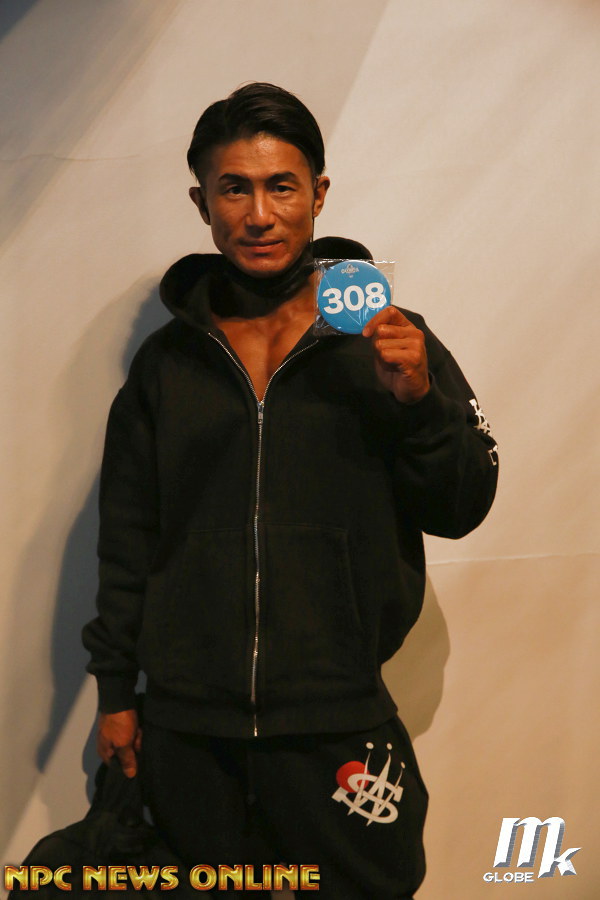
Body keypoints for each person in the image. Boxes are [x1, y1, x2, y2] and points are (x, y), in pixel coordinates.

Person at [83, 82, 498, 898]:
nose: (260, 214)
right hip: (188, 728)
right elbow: (127, 538)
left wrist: (420, 403)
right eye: (234, 189)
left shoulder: (387, 342)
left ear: (318, 193)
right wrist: (116, 693)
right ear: (202, 203)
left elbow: (463, 507)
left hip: (335, 721)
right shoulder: (167, 366)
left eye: (281, 186)